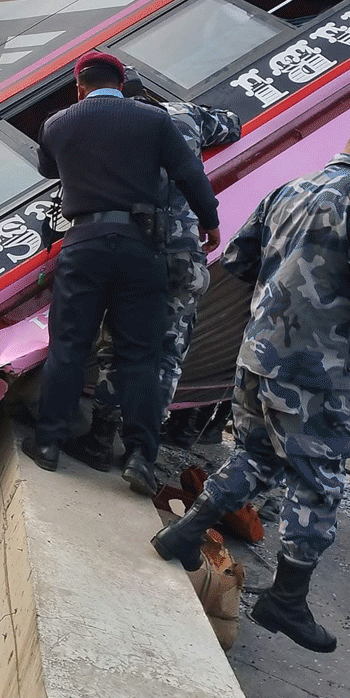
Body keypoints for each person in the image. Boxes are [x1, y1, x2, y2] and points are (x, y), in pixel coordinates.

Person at [151, 110, 350, 655]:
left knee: (257, 458)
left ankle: (181, 534)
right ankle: (287, 599)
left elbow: (237, 257)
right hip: (311, 368)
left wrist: (283, 294)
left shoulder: (289, 188)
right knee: (319, 478)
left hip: (257, 353)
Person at [22, 50, 222, 498]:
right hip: (141, 247)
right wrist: (209, 222)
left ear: (79, 86)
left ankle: (49, 444)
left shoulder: (58, 124)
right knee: (141, 356)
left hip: (84, 244)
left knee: (70, 346)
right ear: (122, 81)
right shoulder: (153, 121)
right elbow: (190, 173)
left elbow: (48, 168)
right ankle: (139, 457)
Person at [70, 96, 244, 468]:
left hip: (132, 252)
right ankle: (140, 455)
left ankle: (100, 441)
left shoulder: (105, 125)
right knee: (166, 356)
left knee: (118, 346)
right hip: (184, 256)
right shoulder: (187, 113)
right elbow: (233, 123)